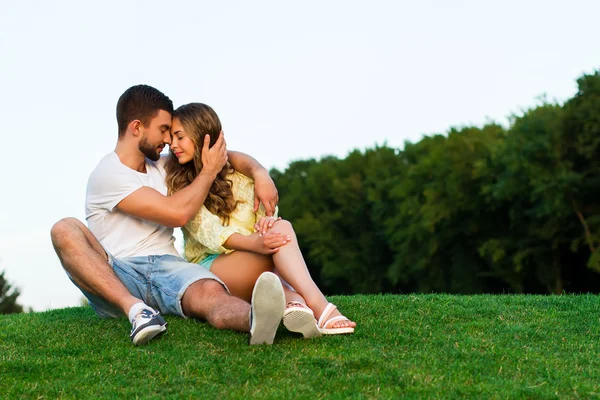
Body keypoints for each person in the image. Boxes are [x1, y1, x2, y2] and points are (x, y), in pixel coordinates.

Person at [51, 85, 286, 346]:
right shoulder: (107, 174)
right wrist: (207, 173)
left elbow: (224, 157)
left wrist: (260, 172)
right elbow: (176, 214)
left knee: (211, 294)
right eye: (163, 129)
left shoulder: (163, 164)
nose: (168, 140)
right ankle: (136, 311)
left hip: (169, 268)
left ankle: (256, 320)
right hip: (118, 272)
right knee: (64, 228)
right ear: (137, 128)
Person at [165, 103, 356, 337]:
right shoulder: (180, 183)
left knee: (280, 227)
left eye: (179, 137)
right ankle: (322, 306)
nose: (173, 144)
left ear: (202, 136)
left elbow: (264, 212)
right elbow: (209, 232)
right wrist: (256, 243)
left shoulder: (240, 174)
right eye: (171, 139)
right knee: (276, 241)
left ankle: (296, 305)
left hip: (253, 258)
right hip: (212, 266)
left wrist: (266, 222)